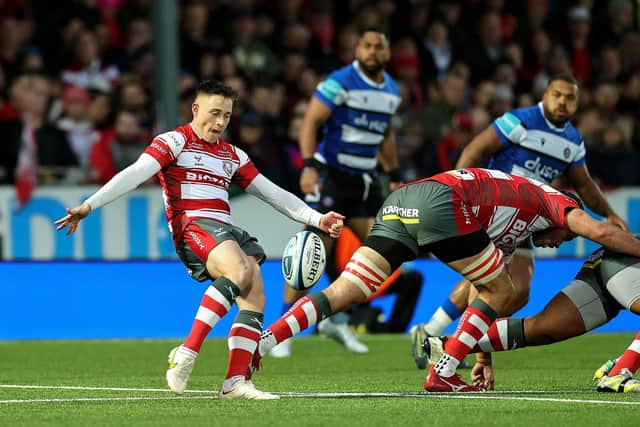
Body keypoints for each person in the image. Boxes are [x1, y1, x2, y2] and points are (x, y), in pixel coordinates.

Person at [54, 80, 344, 400]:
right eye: (214, 113)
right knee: (239, 270)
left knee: (255, 292)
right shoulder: (174, 142)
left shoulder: (233, 155)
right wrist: (88, 205)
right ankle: (187, 352)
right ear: (196, 109)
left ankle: (235, 382)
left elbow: (274, 194)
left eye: (227, 116)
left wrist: (317, 218)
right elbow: (134, 174)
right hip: (192, 225)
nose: (220, 122)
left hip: (225, 229)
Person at [255, 167, 640, 393]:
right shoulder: (557, 203)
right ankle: (441, 372)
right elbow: (603, 233)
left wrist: (483, 355)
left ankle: (264, 341)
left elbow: (481, 287)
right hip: (445, 204)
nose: (557, 243)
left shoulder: (513, 226)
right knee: (506, 287)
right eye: (564, 237)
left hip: (404, 199)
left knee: (346, 290)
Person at [411, 73, 628, 368]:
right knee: (490, 280)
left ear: (578, 103)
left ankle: (445, 335)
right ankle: (448, 338)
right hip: (497, 209)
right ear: (545, 95)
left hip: (533, 218)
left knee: (519, 292)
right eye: (557, 94)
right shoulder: (520, 120)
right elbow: (476, 149)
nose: (562, 102)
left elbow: (585, 186)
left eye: (570, 97)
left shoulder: (573, 141)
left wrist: (610, 213)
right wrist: (453, 187)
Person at [269, 29, 402, 358]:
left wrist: (394, 174)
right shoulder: (339, 81)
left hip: (365, 181)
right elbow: (311, 122)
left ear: (387, 52)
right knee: (311, 251)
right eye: (367, 45)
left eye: (378, 47)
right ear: (357, 48)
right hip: (333, 177)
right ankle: (283, 328)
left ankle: (335, 319)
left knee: (381, 252)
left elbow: (385, 134)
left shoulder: (392, 91)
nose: (372, 52)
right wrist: (309, 165)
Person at [420, 238, 640, 393]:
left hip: (603, 261)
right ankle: (620, 373)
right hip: (629, 260)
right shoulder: (545, 206)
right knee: (506, 292)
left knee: (541, 329)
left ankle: (446, 347)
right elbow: (595, 222)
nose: (561, 242)